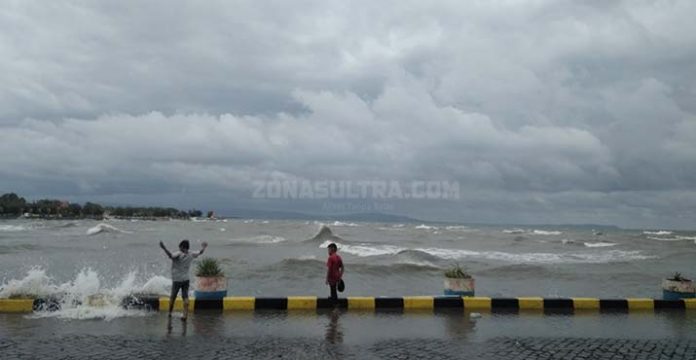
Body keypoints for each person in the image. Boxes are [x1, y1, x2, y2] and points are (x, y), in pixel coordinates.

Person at [159, 239, 207, 320]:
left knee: (173, 297)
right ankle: (185, 314)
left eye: (180, 247)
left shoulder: (178, 254)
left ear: (182, 247)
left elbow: (170, 255)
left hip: (177, 280)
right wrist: (204, 247)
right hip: (186, 279)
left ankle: (170, 313)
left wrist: (164, 248)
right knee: (185, 296)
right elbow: (200, 252)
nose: (179, 248)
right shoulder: (191, 254)